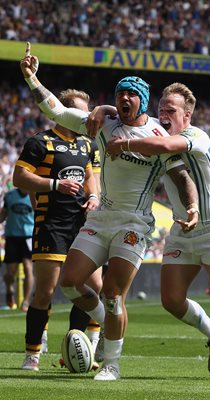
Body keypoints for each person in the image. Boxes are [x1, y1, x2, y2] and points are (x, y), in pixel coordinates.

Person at [20, 45, 199, 381]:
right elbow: (57, 112)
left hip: (134, 223)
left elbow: (181, 176)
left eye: (131, 94)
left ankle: (112, 364)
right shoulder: (104, 124)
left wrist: (191, 206)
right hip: (102, 218)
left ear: (142, 100)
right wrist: (32, 78)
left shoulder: (157, 137)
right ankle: (108, 322)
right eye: (120, 94)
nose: (124, 99)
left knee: (114, 294)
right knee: (70, 283)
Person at [105, 82, 210, 382]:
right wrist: (104, 110)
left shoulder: (195, 136)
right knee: (171, 300)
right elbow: (118, 119)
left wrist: (123, 144)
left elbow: (163, 147)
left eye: (170, 110)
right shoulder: (154, 135)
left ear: (186, 115)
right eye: (160, 109)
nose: (163, 114)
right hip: (181, 230)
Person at [13, 86, 103, 372]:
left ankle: (82, 350)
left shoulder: (89, 144)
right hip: (51, 224)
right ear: (61, 111)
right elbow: (19, 178)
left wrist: (93, 197)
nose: (83, 117)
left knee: (93, 287)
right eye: (78, 111)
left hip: (83, 226)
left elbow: (92, 178)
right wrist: (55, 185)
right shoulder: (41, 143)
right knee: (45, 292)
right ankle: (33, 355)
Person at [0, 188, 34, 311]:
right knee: (10, 273)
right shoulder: (9, 196)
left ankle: (26, 301)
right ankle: (9, 290)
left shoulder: (34, 195)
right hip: (12, 237)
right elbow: (4, 214)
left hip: (29, 236)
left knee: (28, 267)